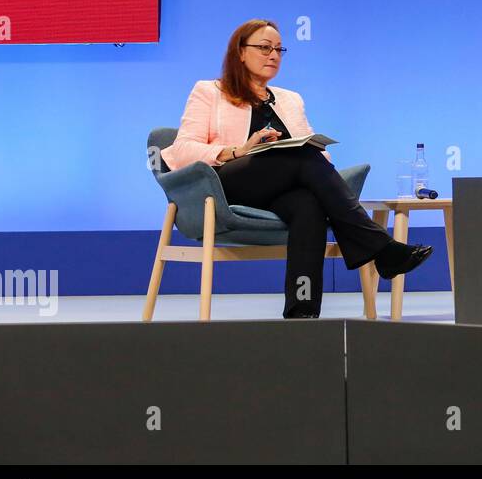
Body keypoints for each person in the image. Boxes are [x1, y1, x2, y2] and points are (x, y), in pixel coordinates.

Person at [161, 19, 431, 318]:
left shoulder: (290, 99)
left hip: (282, 186)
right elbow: (181, 150)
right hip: (229, 184)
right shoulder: (209, 91)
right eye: (264, 48)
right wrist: (240, 150)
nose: (273, 55)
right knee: (303, 157)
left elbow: (317, 156)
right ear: (240, 51)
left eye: (279, 49)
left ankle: (302, 311)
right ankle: (380, 247)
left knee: (308, 203)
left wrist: (317, 155)